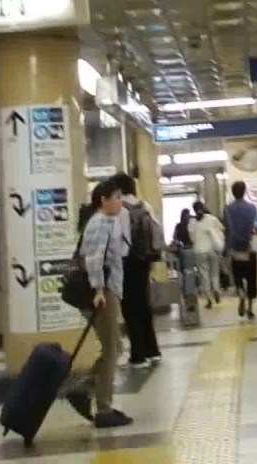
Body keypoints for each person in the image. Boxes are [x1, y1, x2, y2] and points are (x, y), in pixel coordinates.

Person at [65, 179, 133, 429]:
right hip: (102, 293)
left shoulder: (109, 222)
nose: (120, 201)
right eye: (116, 197)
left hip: (110, 288)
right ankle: (103, 409)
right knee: (112, 349)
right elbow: (92, 259)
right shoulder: (98, 224)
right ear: (103, 200)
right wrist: (98, 290)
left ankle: (83, 390)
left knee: (114, 346)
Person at [110, 173, 162, 369]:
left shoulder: (120, 209)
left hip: (126, 262)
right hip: (144, 261)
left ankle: (138, 355)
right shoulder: (145, 206)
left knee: (130, 309)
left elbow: (118, 239)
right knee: (144, 306)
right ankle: (153, 351)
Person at [222, 181, 257, 319]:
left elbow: (227, 230)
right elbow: (254, 227)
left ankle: (240, 292)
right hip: (249, 248)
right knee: (251, 278)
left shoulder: (227, 209)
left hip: (235, 249)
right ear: (244, 191)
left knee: (237, 276)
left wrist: (226, 248)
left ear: (232, 192)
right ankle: (250, 308)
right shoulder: (252, 208)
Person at [188, 202, 225, 309]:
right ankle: (217, 290)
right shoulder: (211, 218)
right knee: (214, 273)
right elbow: (222, 229)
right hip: (213, 250)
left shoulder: (192, 222)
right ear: (203, 208)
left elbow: (192, 239)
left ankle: (209, 299)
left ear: (194, 210)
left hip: (199, 251)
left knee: (204, 276)